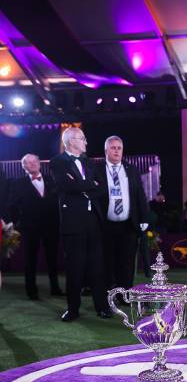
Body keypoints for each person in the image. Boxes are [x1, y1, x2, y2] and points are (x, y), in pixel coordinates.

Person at [50, 127, 111, 321]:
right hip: (72, 223)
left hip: (93, 221)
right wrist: (89, 186)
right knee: (75, 267)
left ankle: (102, 307)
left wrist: (84, 188)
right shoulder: (57, 162)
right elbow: (66, 185)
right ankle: (73, 309)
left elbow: (102, 188)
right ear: (71, 141)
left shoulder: (89, 161)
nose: (86, 142)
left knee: (97, 267)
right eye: (83, 139)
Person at [97, 136, 149, 292]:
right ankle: (109, 294)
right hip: (105, 225)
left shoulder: (131, 169)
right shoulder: (96, 170)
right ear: (106, 150)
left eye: (119, 148)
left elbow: (140, 195)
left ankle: (125, 293)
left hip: (128, 224)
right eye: (113, 148)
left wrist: (144, 218)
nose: (116, 151)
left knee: (126, 262)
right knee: (107, 261)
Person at [8, 154, 63, 299]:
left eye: (34, 161)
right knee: (30, 260)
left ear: (39, 163)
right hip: (29, 228)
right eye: (28, 163)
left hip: (51, 226)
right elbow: (12, 206)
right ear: (24, 167)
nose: (32, 164)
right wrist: (19, 223)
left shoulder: (52, 180)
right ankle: (31, 291)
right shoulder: (17, 183)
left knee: (52, 258)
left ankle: (55, 288)